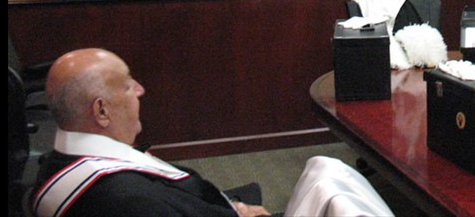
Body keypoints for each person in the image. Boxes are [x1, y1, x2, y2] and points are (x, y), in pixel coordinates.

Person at [32, 48, 393, 217]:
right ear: (101, 111)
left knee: (325, 168)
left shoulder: (60, 163)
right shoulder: (126, 201)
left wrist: (234, 207)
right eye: (127, 86)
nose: (140, 90)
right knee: (340, 198)